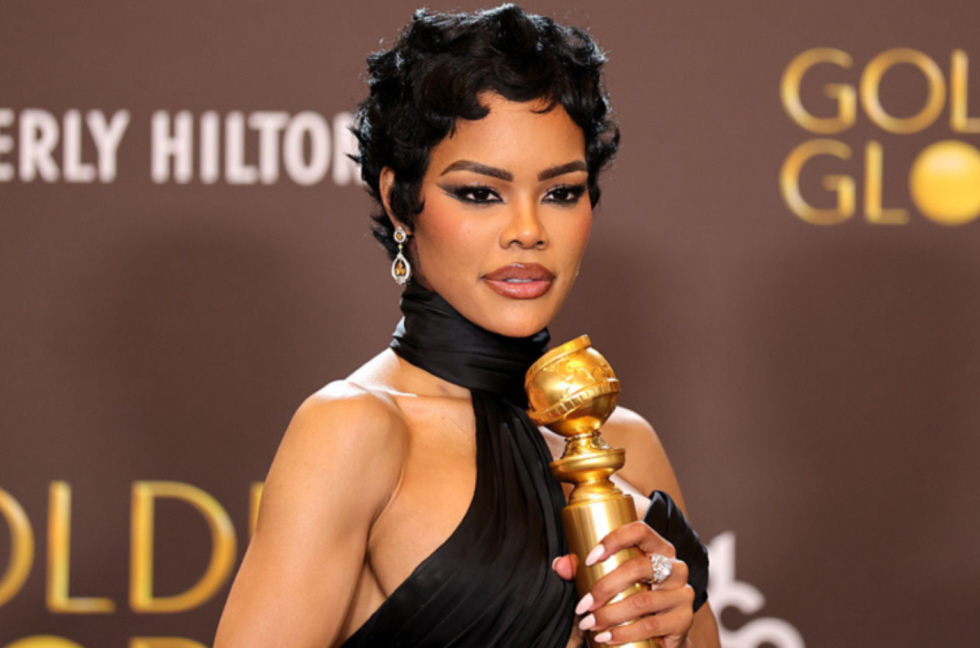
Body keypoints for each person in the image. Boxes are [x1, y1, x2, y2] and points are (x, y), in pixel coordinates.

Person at [214, 5, 720, 647]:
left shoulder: (629, 445)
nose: (528, 231)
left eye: (561, 192)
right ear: (401, 201)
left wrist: (672, 631)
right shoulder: (354, 432)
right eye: (480, 193)